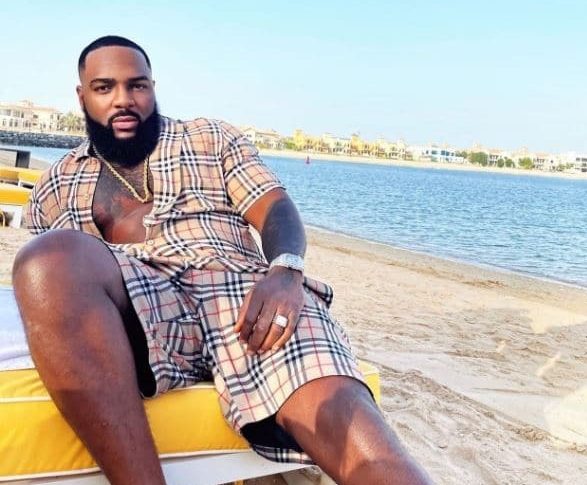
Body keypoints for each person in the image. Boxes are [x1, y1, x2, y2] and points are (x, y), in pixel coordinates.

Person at [12, 35, 430, 485]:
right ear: (82, 96)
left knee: (355, 434)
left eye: (137, 85)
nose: (123, 100)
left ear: (153, 87)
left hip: (242, 298)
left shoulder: (210, 138)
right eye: (104, 88)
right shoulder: (57, 183)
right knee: (45, 260)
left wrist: (286, 270)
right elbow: (54, 295)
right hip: (140, 315)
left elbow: (275, 208)